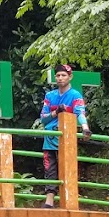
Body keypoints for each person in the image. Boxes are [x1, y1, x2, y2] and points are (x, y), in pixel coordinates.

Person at [40, 63, 89, 208]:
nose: (60, 78)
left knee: (68, 168)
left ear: (70, 77)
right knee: (50, 169)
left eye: (64, 75)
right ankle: (49, 201)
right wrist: (56, 112)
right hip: (50, 137)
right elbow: (43, 117)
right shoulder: (50, 95)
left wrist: (85, 128)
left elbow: (80, 112)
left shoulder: (75, 95)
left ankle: (69, 200)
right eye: (58, 75)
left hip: (67, 138)